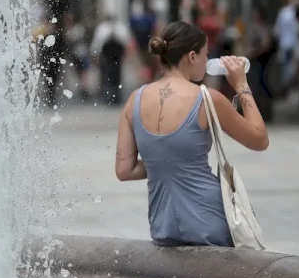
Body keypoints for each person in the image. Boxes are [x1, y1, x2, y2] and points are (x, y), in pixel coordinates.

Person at [115, 21, 269, 247]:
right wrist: (242, 86)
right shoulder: (208, 99)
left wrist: (166, 161)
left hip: (163, 225)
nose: (207, 62)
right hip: (209, 221)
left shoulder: (133, 101)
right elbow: (259, 140)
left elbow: (124, 170)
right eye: (206, 55)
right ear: (192, 57)